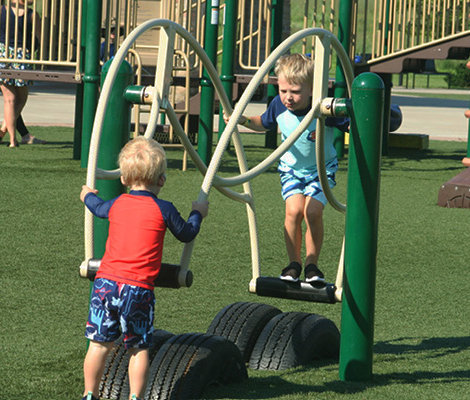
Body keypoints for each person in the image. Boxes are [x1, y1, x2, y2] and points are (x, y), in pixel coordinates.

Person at [79, 137, 209, 400]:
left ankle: (89, 393)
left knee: (98, 345)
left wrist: (87, 196)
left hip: (105, 285)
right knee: (137, 349)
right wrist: (198, 212)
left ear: (124, 180)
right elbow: (186, 233)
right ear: (161, 180)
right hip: (137, 289)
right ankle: (136, 397)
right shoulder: (163, 209)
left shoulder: (116, 203)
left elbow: (97, 208)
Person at [230, 53, 348, 283]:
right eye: (284, 91)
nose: (288, 97)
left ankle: (312, 265)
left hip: (321, 169)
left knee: (312, 212)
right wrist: (243, 120)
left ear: (312, 89)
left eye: (295, 92)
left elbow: (350, 125)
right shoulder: (278, 105)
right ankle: (294, 263)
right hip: (291, 169)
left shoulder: (322, 107)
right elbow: (264, 123)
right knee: (294, 211)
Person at [0, 0, 44, 145]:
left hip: (1, 55)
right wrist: (39, 57)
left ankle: (11, 138)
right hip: (22, 57)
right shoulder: (32, 15)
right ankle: (2, 132)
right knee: (21, 99)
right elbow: (40, 37)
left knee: (10, 99)